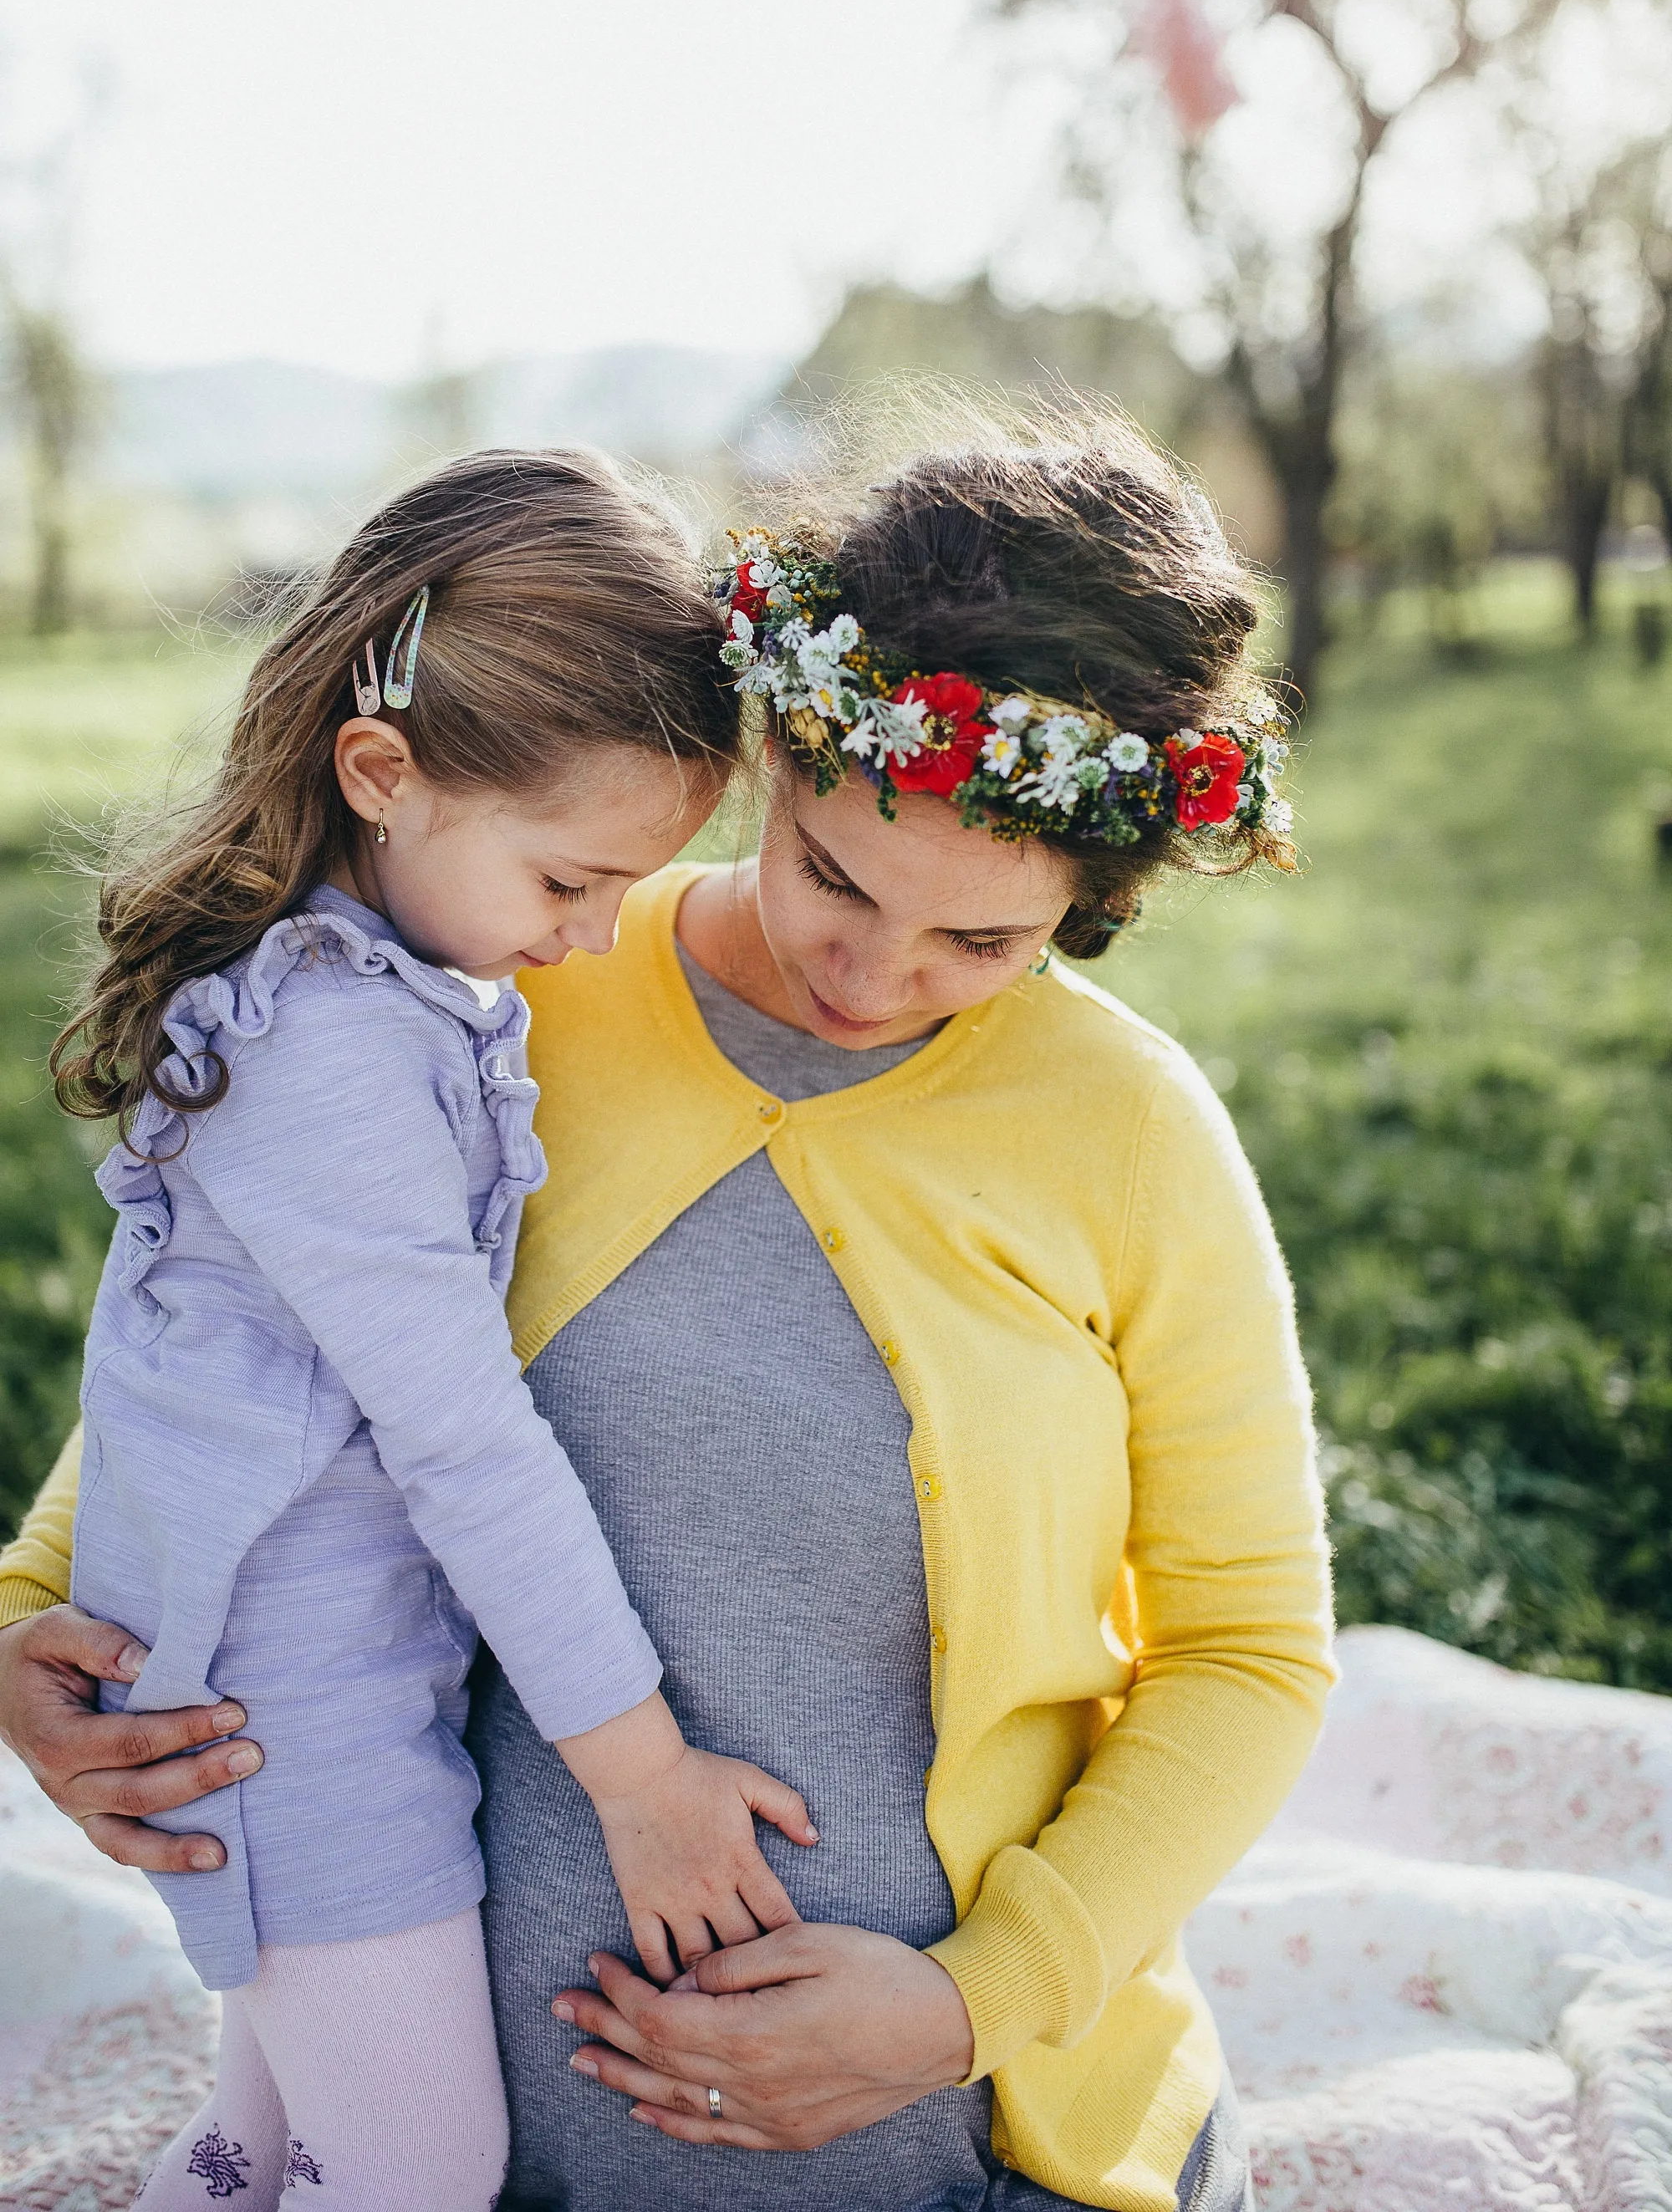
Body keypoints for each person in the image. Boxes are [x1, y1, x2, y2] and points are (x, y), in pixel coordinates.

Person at [1, 402, 1335, 2212]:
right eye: (835, 876)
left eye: (982, 944)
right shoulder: (521, 957)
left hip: (979, 2148)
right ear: (771, 753)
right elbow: (268, 1335)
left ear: (1091, 908)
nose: (872, 979)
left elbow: (1249, 1646)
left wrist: (966, 2006)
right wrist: (38, 1624)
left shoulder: (1129, 1136)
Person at [11, 450, 817, 2212]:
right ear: (380, 772)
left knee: (265, 2142)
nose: (596, 939)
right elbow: (462, 1440)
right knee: (419, 2168)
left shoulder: (382, 987)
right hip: (285, 1702)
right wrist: (643, 1773)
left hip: (312, 1662)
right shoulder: (328, 1056)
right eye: (566, 884)